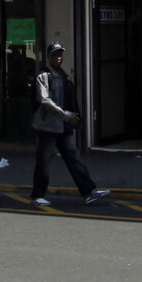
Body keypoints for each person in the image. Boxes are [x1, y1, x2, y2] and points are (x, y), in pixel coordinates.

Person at [31, 43, 107, 205]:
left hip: (62, 126)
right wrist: (65, 115)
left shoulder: (63, 75)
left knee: (74, 158)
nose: (58, 57)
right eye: (55, 54)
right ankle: (37, 196)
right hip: (47, 127)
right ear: (48, 57)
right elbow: (44, 100)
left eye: (60, 54)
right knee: (43, 162)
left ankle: (89, 191)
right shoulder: (44, 76)